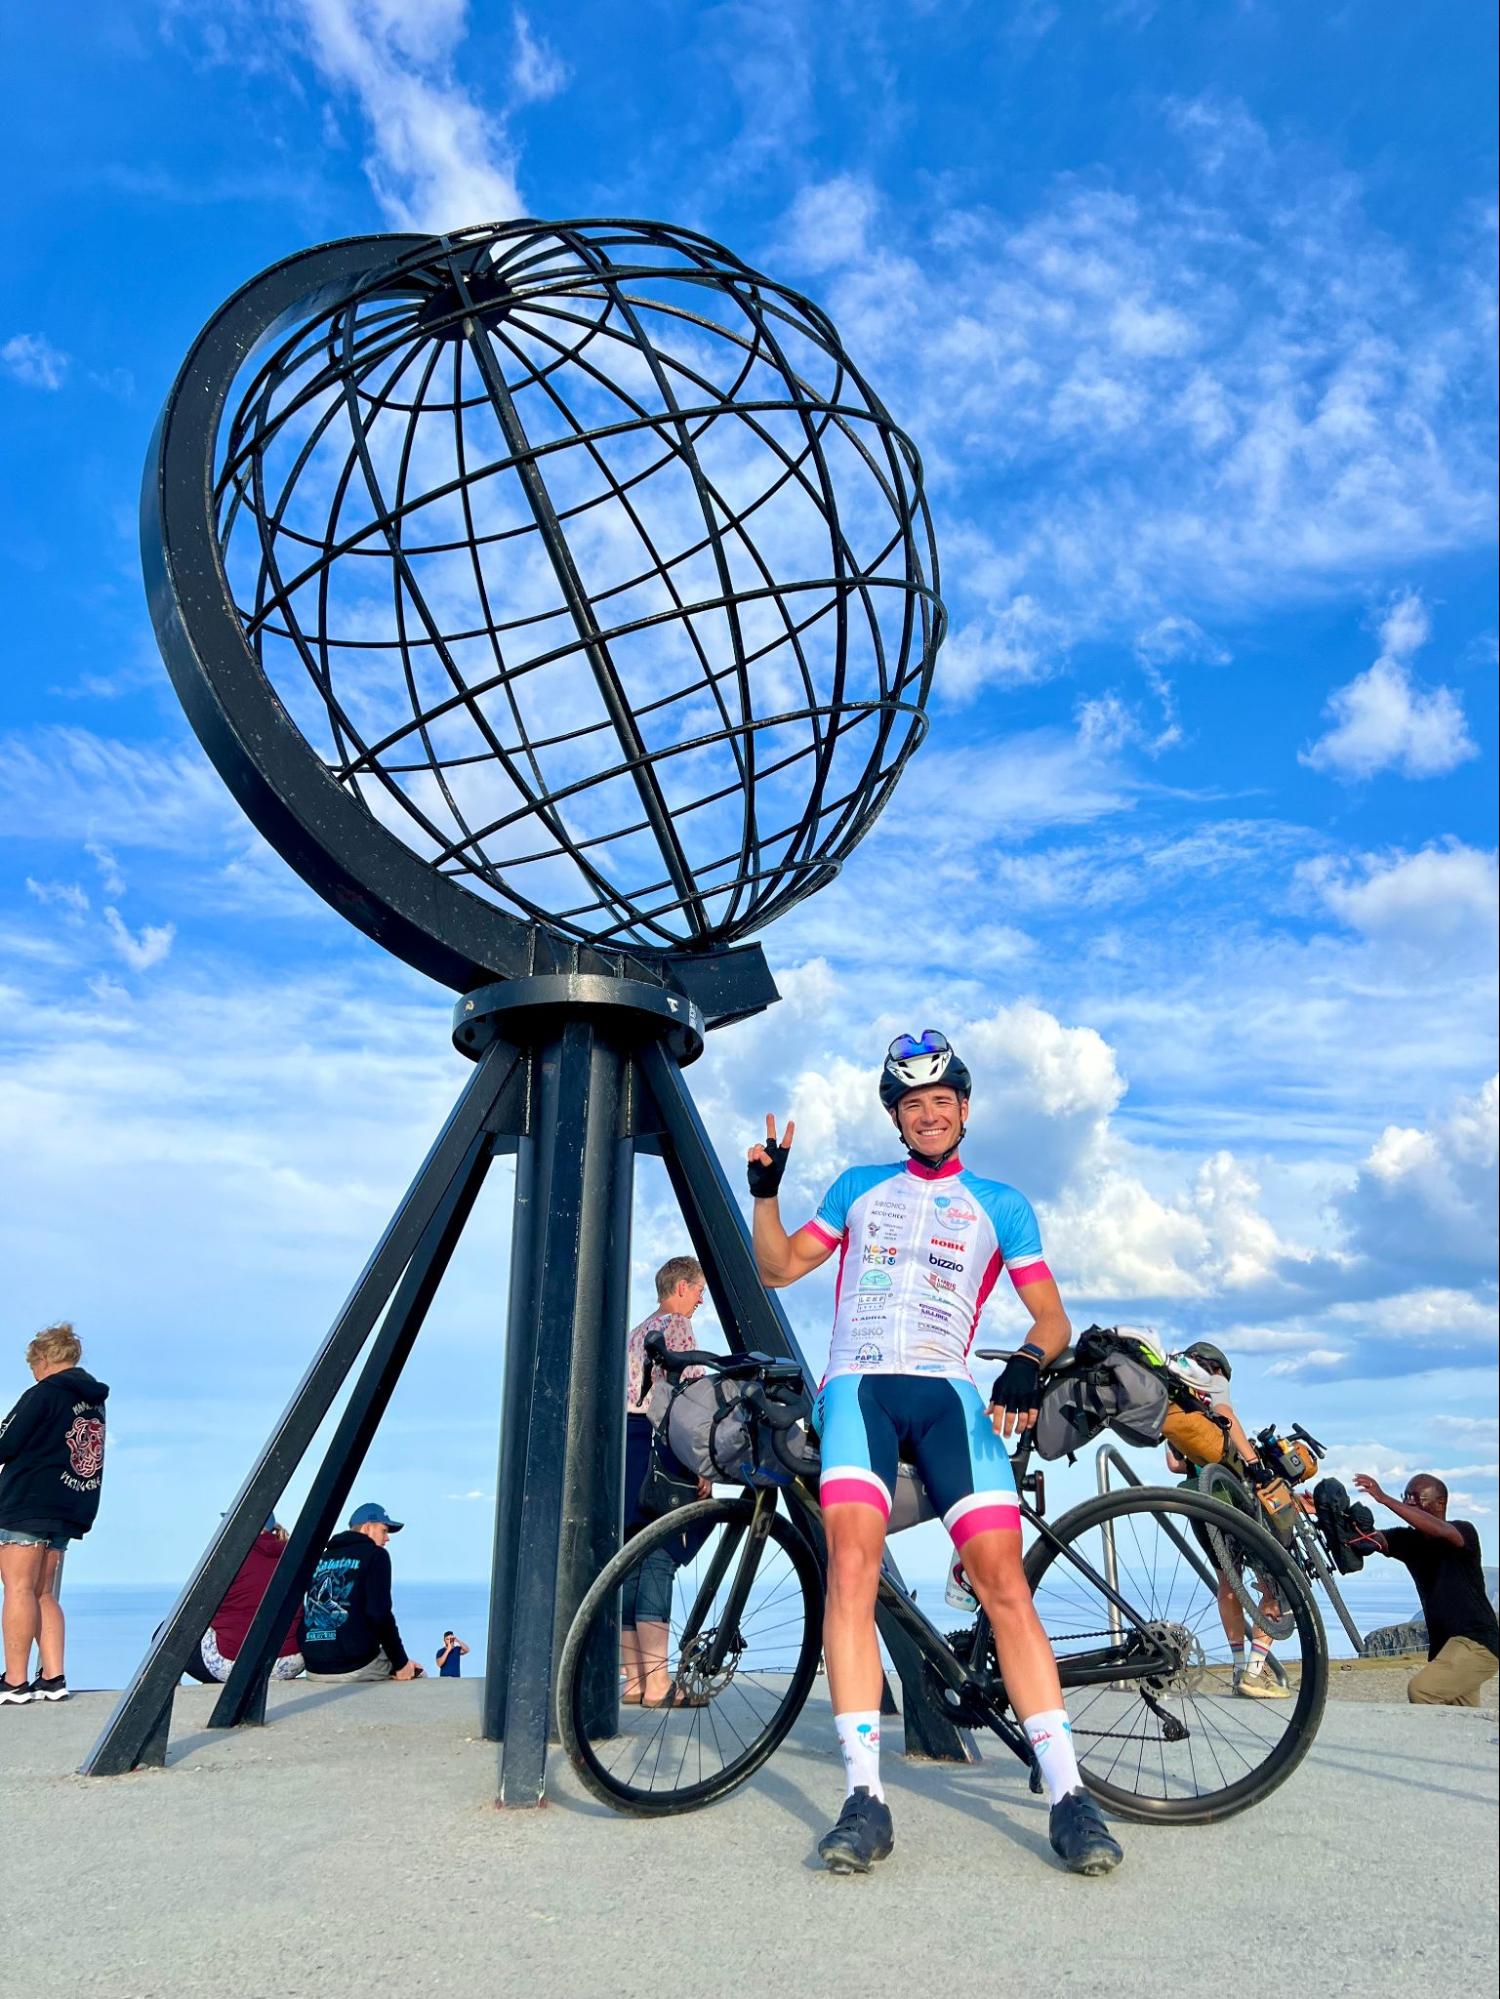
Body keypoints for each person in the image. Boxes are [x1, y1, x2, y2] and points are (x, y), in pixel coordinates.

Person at [747, 1028, 1123, 1876]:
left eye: (941, 1101)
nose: (928, 1114)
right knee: (850, 1571)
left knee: (1004, 1586)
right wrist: (765, 1192)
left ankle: (1068, 1794)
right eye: (912, 1103)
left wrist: (1031, 1359)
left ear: (962, 1109)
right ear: (896, 1115)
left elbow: (1051, 1316)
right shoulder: (856, 1187)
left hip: (949, 1393)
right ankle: (864, 1800)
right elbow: (775, 1269)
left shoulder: (1003, 1202)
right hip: (858, 1388)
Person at [1163, 1339, 1292, 1701]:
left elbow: (1174, 1464)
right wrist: (1254, 1464)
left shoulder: (1176, 1397)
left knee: (1227, 1580)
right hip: (1230, 1496)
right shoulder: (1213, 1382)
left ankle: (1238, 1669)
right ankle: (1254, 1672)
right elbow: (1229, 1417)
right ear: (1215, 1367)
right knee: (1274, 1579)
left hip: (1198, 1498)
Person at [0, 1322, 109, 1706]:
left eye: (33, 1365)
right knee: (44, 1591)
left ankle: (14, 1681)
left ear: (43, 1359)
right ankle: (52, 1676)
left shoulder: (43, 1394)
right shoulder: (93, 1400)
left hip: (28, 1502)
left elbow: (6, 1441)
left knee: (17, 1588)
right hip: (69, 1503)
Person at [621, 1257, 711, 1707]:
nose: (700, 1299)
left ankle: (635, 1680)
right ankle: (659, 1684)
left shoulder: (639, 1331)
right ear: (680, 1286)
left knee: (631, 1555)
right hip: (662, 1443)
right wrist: (700, 1466)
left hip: (629, 1446)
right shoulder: (677, 1326)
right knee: (661, 1554)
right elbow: (687, 1399)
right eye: (698, 1290)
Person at [1350, 1473, 1499, 1706]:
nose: (1409, 1502)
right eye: (1406, 1496)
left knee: (1422, 1691)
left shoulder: (1462, 1532)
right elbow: (1367, 1539)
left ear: (1441, 1503)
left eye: (1416, 1498)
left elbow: (1441, 1532)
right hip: (1445, 1650)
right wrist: (1327, 1513)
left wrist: (1385, 1499)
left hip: (1477, 1643)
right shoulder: (1407, 1541)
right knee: (1462, 1720)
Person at [299, 1503, 423, 1683]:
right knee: (416, 1672)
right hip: (353, 1665)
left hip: (313, 1667)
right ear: (367, 1527)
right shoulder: (375, 1555)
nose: (387, 1538)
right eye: (384, 1530)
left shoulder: (321, 1558)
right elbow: (379, 1613)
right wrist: (400, 1662)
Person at [199, 1516, 304, 1684]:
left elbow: (201, 1609)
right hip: (290, 1662)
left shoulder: (229, 1558)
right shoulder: (295, 1554)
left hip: (234, 1664)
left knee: (171, 1632)